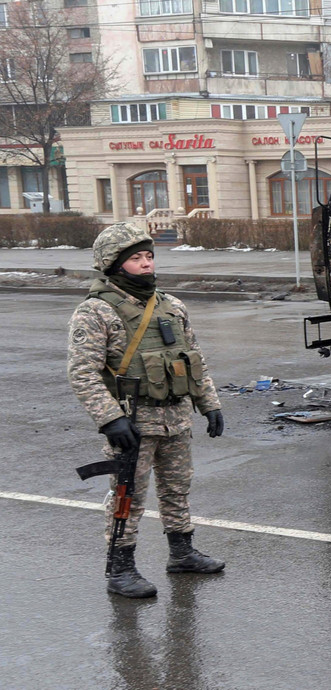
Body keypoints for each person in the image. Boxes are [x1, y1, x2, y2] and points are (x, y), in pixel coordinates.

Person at [67, 222, 226, 599]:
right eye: (136, 258)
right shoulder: (95, 312)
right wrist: (110, 418)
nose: (145, 264)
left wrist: (210, 404)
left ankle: (182, 553)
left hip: (175, 417)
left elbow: (194, 360)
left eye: (148, 256)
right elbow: (82, 372)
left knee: (177, 489)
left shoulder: (172, 306)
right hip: (133, 423)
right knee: (128, 497)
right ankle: (121, 569)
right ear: (113, 264)